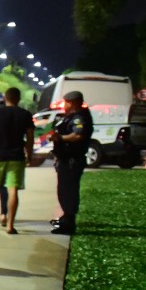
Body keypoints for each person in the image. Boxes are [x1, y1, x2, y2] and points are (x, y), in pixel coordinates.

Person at [0, 87, 36, 234]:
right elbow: (30, 138)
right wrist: (29, 154)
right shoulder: (26, 114)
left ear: (5, 97)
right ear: (19, 98)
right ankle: (10, 225)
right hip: (16, 157)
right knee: (13, 190)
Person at [49, 90, 95, 235]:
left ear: (72, 103)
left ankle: (68, 222)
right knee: (64, 190)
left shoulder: (79, 118)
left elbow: (77, 135)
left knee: (68, 191)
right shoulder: (71, 117)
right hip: (66, 159)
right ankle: (66, 217)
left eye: (66, 102)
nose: (64, 105)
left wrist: (61, 138)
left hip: (71, 160)